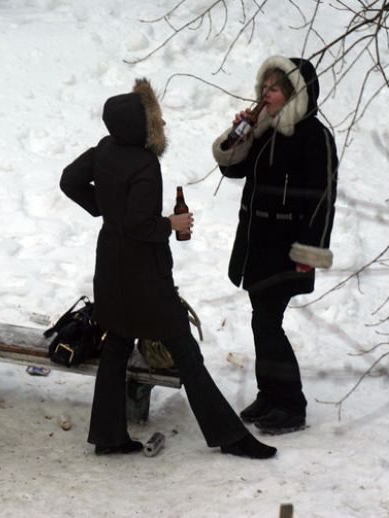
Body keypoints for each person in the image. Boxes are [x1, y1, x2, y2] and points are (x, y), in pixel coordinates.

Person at [60, 78, 276, 459]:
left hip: (110, 264)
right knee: (184, 350)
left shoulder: (103, 149)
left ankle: (108, 436)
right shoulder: (144, 164)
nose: (160, 125)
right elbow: (141, 226)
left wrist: (101, 208)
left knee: (117, 345)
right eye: (154, 120)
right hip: (144, 272)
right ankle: (230, 436)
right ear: (141, 125)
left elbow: (69, 180)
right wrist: (172, 226)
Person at [211, 56, 338, 435]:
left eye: (275, 89)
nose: (266, 95)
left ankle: (291, 405)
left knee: (268, 322)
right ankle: (271, 394)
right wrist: (240, 135)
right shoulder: (264, 129)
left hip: (286, 249)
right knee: (262, 320)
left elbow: (323, 200)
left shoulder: (314, 136)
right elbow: (232, 169)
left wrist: (309, 251)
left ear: (294, 93)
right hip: (256, 244)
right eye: (264, 88)